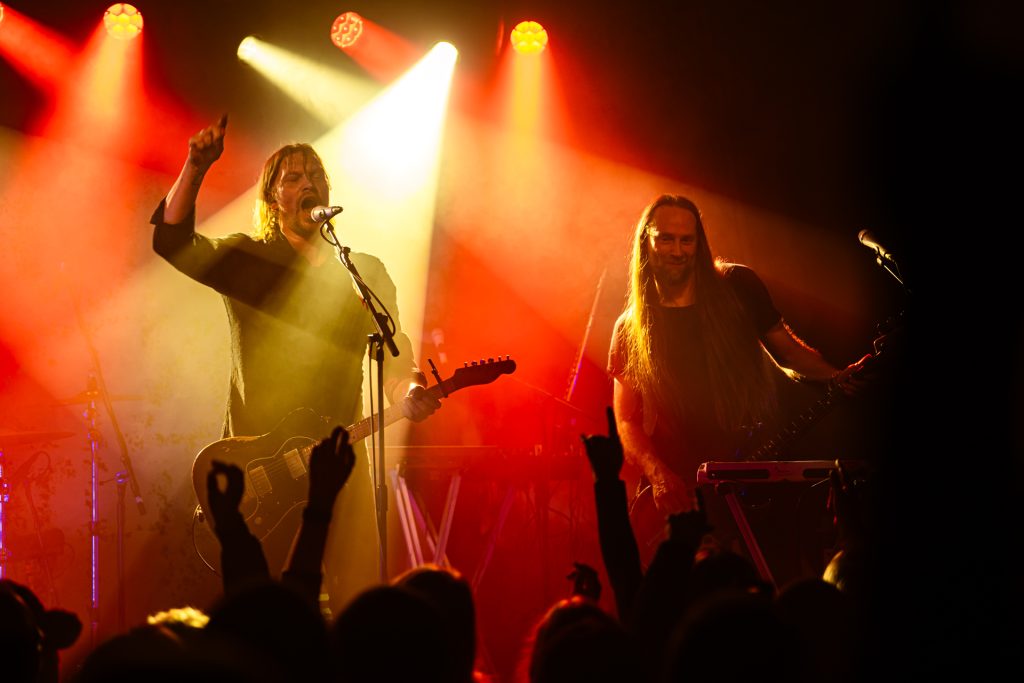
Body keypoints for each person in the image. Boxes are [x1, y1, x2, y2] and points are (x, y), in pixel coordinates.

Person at [151, 114, 441, 608]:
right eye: (293, 178)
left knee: (358, 598)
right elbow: (172, 242)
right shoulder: (249, 259)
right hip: (263, 469)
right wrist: (195, 167)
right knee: (267, 610)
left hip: (340, 455)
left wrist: (410, 391)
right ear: (272, 199)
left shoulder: (363, 272)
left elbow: (394, 356)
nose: (308, 183)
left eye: (315, 176)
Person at [608, 194, 869, 521]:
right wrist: (657, 473)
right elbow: (626, 420)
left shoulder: (737, 286)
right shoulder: (629, 328)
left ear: (699, 244)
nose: (677, 251)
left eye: (687, 240)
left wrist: (836, 376)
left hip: (755, 474)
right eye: (666, 240)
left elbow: (789, 354)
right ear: (646, 242)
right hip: (685, 491)